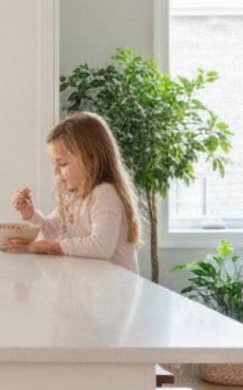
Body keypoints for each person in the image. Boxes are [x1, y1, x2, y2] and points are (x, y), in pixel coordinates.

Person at [7, 111, 142, 274]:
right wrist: (30, 213)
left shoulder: (104, 193)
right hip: (96, 282)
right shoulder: (74, 196)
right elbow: (51, 231)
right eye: (54, 163)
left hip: (118, 285)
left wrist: (51, 247)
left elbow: (101, 247)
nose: (56, 171)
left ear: (90, 159)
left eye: (63, 164)